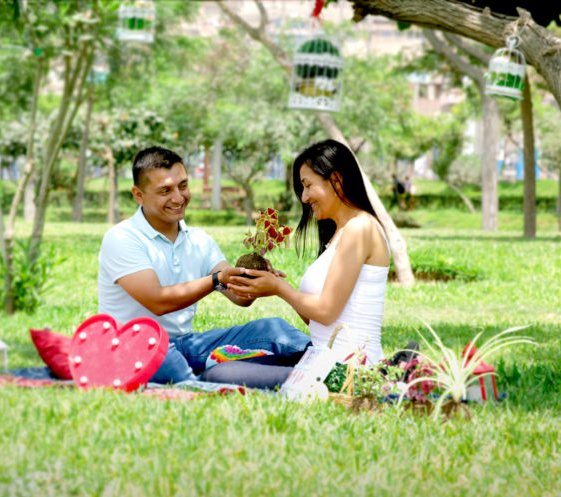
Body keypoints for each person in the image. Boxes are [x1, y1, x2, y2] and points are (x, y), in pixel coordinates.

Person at [98, 146, 311, 384]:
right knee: (168, 360)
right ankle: (205, 380)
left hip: (188, 345)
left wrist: (254, 278)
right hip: (137, 347)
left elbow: (239, 297)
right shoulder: (122, 238)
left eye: (183, 186)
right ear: (138, 194)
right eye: (165, 191)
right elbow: (157, 301)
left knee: (273, 330)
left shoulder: (199, 240)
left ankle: (327, 363)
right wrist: (218, 279)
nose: (178, 198)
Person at [227, 139, 390, 365]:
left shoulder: (360, 228)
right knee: (231, 362)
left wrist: (279, 288)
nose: (304, 197)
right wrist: (275, 286)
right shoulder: (342, 232)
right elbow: (320, 323)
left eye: (308, 185)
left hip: (349, 370)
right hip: (324, 361)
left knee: (223, 373)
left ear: (336, 180)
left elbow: (326, 312)